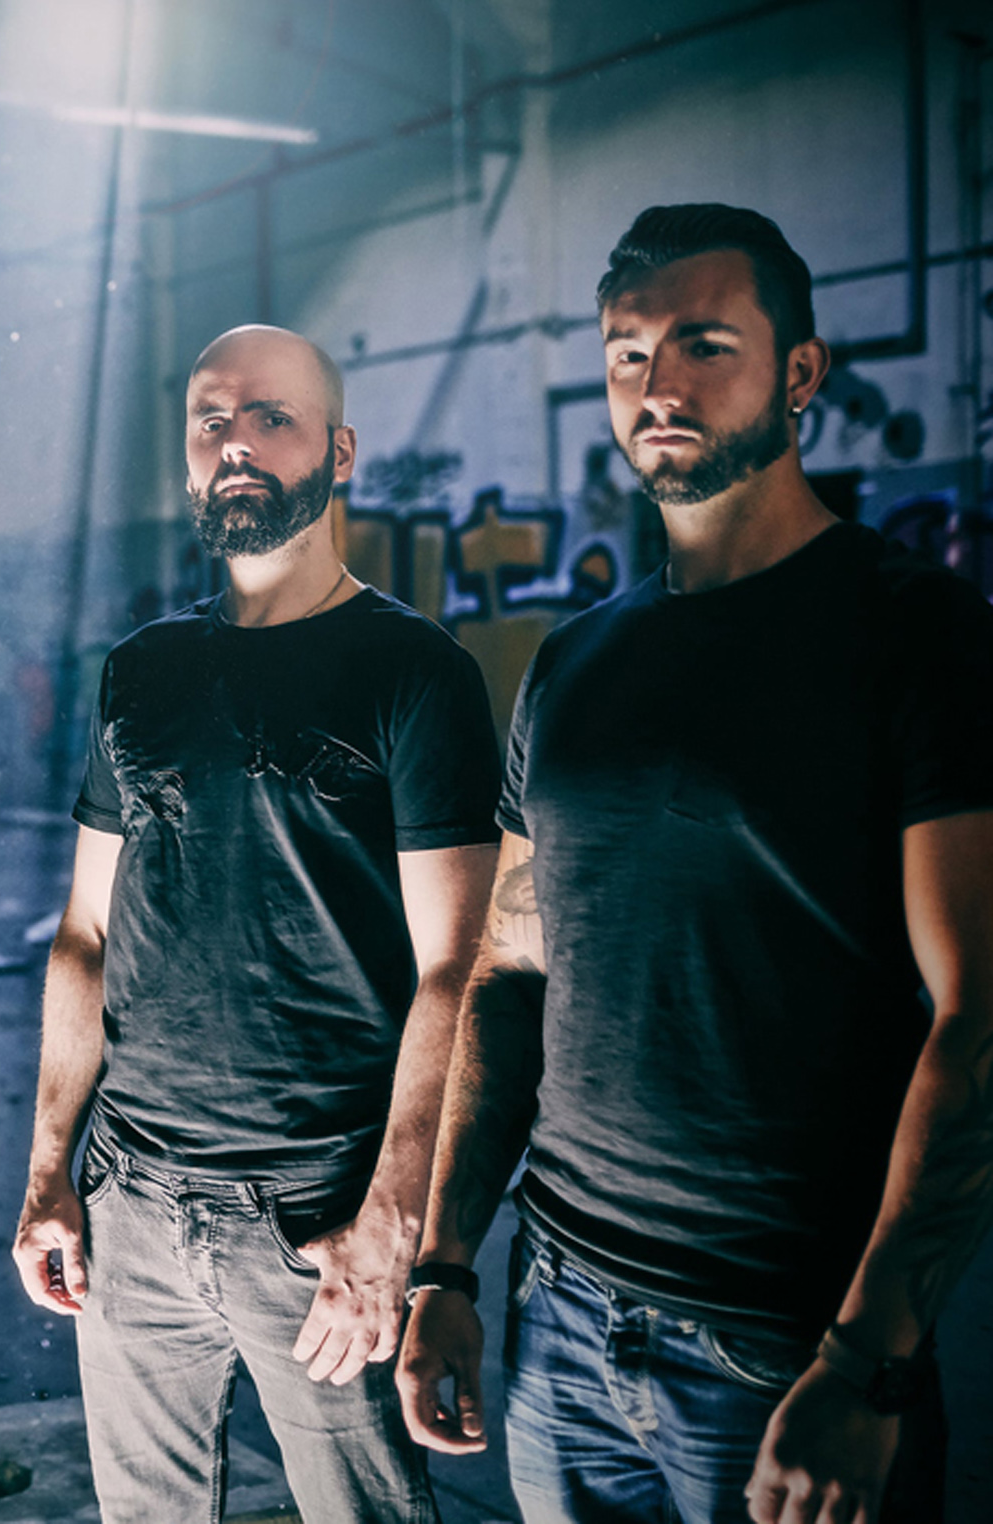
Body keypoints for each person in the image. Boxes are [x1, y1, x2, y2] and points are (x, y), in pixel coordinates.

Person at [396, 203, 993, 1523]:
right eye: (627, 354)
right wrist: (444, 1264)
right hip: (560, 1319)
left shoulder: (919, 634)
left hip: (783, 1346)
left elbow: (979, 1017)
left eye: (704, 345)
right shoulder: (571, 664)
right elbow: (510, 976)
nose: (657, 384)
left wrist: (872, 1359)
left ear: (800, 372)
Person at [12, 325, 501, 1521]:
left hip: (317, 1218)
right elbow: (84, 937)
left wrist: (393, 1223)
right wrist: (49, 1173)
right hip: (130, 1204)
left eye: (272, 417)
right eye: (211, 420)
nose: (235, 442)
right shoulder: (141, 671)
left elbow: (459, 969)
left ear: (339, 451)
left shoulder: (414, 672)